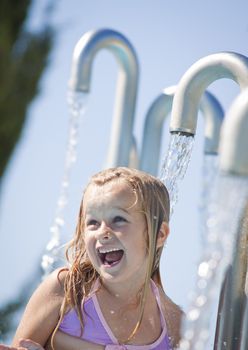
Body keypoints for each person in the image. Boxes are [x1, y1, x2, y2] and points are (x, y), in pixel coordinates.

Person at [0, 167, 183, 350]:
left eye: (118, 219)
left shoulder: (174, 324)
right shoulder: (67, 291)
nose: (103, 232)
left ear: (159, 234)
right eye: (93, 223)